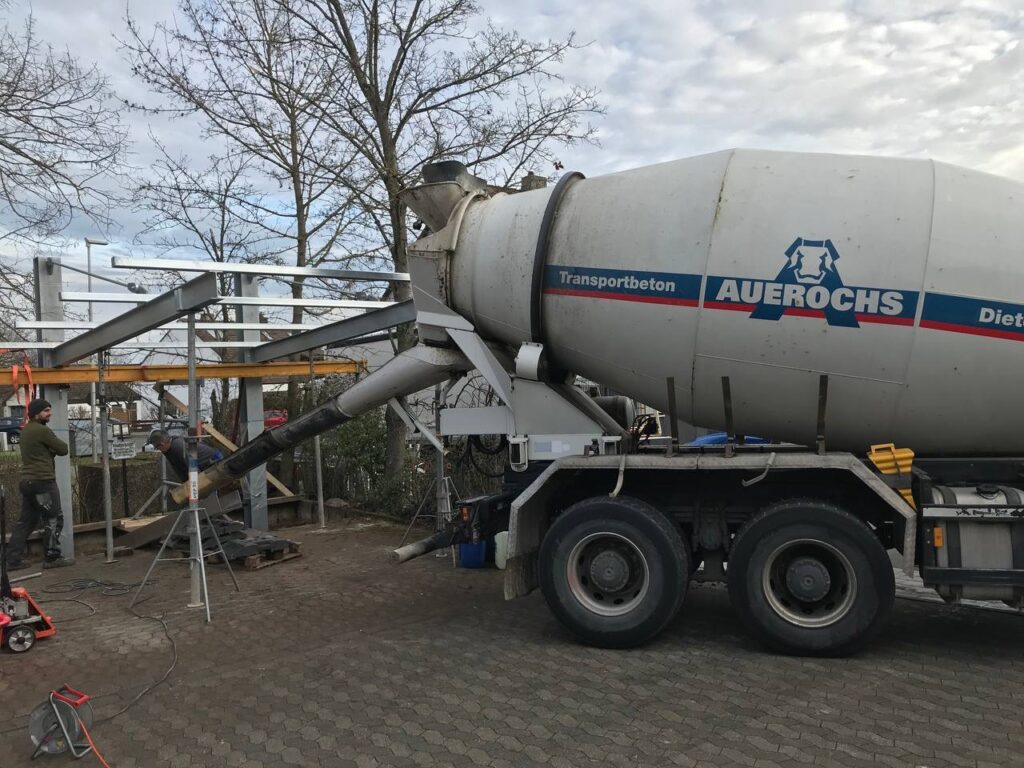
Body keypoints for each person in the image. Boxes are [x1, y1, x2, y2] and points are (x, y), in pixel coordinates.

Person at [6, 399, 72, 569]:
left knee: (26, 522)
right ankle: (52, 557)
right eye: (46, 411)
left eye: (49, 410)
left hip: (27, 482)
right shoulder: (42, 431)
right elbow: (63, 449)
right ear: (36, 414)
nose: (49, 413)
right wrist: (51, 450)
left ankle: (11, 560)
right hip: (42, 482)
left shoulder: (26, 430)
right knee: (54, 518)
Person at [147, 428, 222, 483]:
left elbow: (192, 467)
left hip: (214, 460)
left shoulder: (178, 447)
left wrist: (194, 485)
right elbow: (178, 468)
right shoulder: (168, 449)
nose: (158, 450)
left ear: (162, 444)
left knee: (203, 487)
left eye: (157, 447)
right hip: (202, 462)